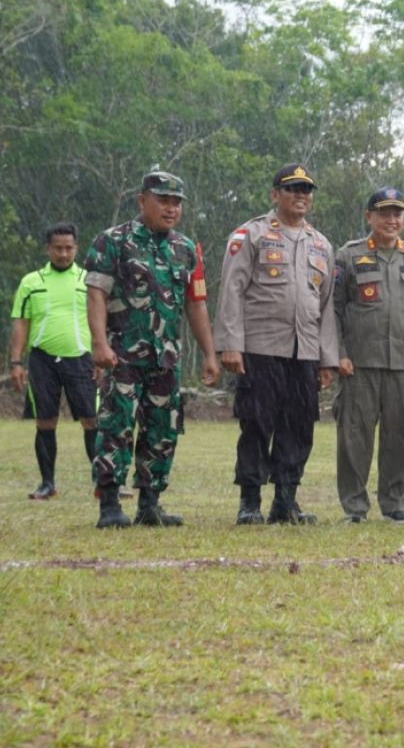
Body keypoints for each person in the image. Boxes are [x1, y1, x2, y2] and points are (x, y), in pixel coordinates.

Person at [84, 170, 220, 528]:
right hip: (122, 354)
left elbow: (196, 304)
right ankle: (110, 504)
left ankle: (150, 503)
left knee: (163, 428)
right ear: (142, 201)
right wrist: (98, 343)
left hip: (166, 356)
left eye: (177, 202)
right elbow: (96, 292)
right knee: (116, 425)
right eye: (163, 200)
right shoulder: (112, 241)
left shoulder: (186, 249)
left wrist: (209, 353)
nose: (171, 208)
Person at [214, 163, 338, 525]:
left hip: (305, 351)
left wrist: (327, 358)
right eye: (292, 189)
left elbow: (327, 304)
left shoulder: (321, 244)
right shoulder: (250, 235)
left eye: (306, 190)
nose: (301, 195)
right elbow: (232, 290)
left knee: (299, 427)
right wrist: (230, 344)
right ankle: (249, 501)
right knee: (256, 424)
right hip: (260, 348)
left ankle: (286, 500)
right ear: (275, 195)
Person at [333, 187, 404, 524]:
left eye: (397, 213)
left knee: (403, 437)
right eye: (383, 213)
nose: (391, 219)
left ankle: (397, 506)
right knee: (354, 438)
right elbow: (333, 309)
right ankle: (354, 508)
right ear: (369, 217)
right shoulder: (348, 256)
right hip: (359, 362)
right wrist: (338, 352)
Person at [9, 223, 99, 500]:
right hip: (42, 360)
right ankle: (47, 483)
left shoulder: (89, 280)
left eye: (68, 248)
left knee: (92, 420)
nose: (63, 253)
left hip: (82, 359)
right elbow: (21, 322)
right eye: (57, 248)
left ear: (76, 248)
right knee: (45, 421)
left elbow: (101, 321)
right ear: (47, 249)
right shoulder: (31, 282)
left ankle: (102, 482)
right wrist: (16, 362)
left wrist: (102, 356)